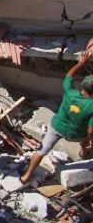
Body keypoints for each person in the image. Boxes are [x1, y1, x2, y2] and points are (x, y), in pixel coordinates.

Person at [20, 50, 93, 184]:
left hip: (57, 127)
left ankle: (27, 175)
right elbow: (90, 131)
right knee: (84, 138)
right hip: (75, 134)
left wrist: (80, 63)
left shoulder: (70, 92)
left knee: (41, 150)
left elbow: (69, 75)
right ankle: (83, 151)